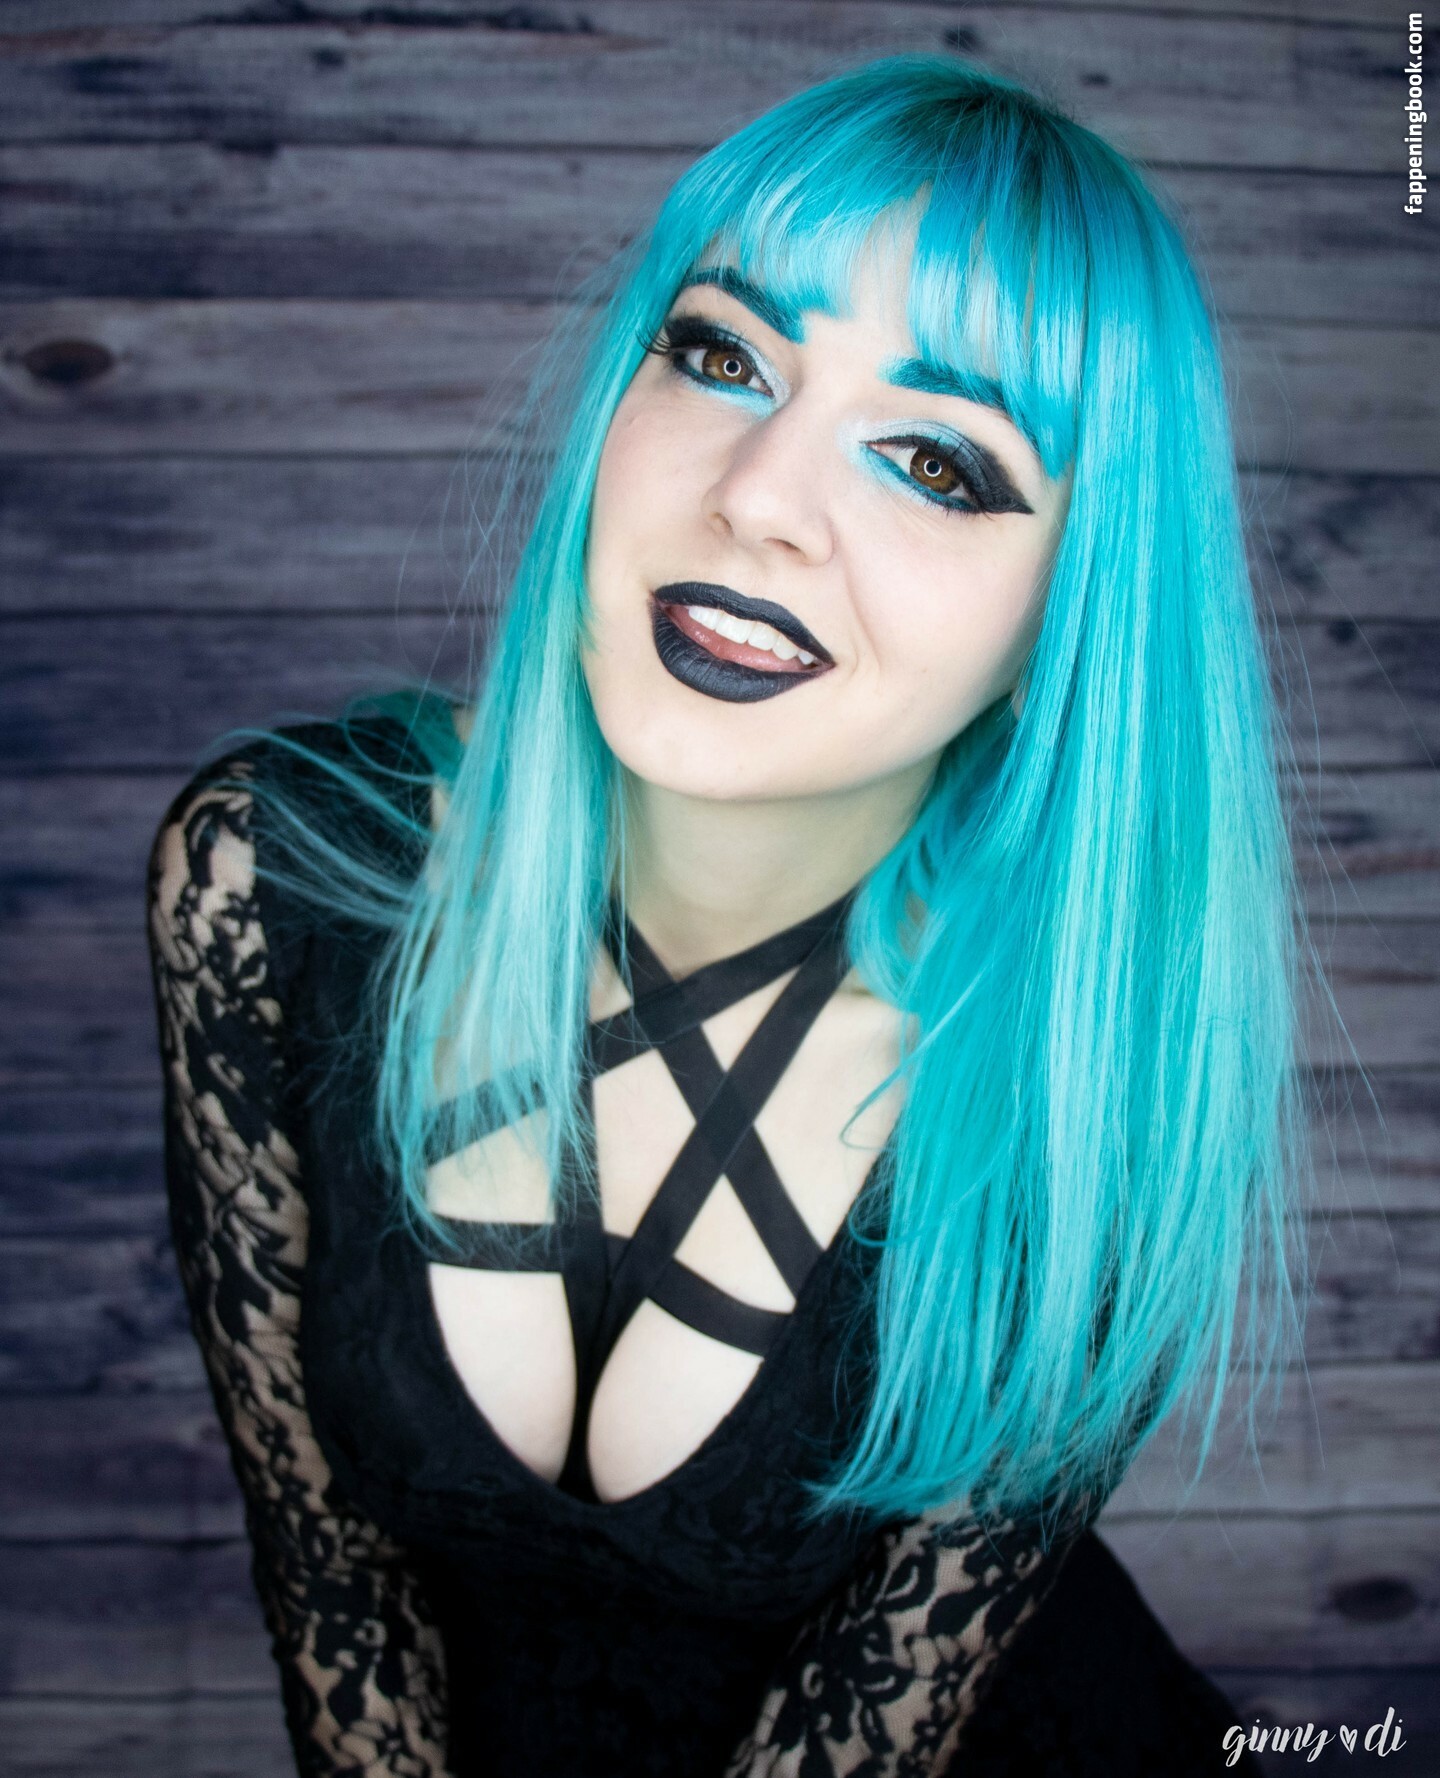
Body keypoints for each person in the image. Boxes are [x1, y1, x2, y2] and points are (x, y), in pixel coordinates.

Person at [145, 53, 1303, 1778]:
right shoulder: (275, 875)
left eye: (935, 459)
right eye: (722, 356)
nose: (759, 495)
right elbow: (330, 1571)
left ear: (1071, 619)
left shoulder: (1080, 1067)